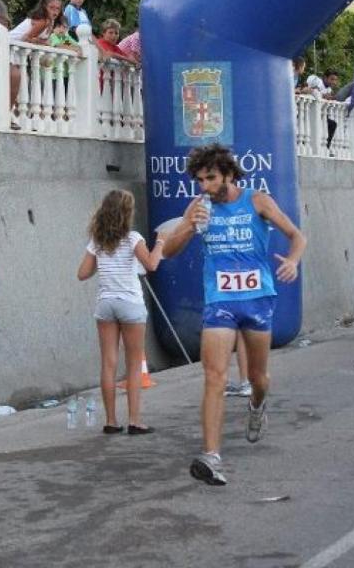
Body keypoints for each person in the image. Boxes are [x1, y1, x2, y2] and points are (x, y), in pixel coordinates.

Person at [161, 144, 307, 486]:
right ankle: (211, 456)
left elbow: (296, 236)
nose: (204, 186)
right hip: (220, 300)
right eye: (199, 180)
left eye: (210, 178)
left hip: (257, 299)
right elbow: (167, 251)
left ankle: (257, 406)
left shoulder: (258, 201)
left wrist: (292, 261)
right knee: (214, 376)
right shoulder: (198, 208)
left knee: (258, 378)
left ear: (228, 174)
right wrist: (189, 227)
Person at [77, 190, 164, 435]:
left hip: (105, 304)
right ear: (127, 212)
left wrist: (104, 264)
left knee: (108, 364)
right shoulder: (133, 238)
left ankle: (111, 421)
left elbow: (82, 274)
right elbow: (152, 264)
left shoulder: (98, 240)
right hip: (130, 304)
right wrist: (160, 243)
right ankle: (135, 421)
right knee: (134, 364)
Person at [306, 70, 340, 156]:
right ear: (325, 78)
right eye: (332, 79)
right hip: (308, 111)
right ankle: (324, 147)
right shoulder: (318, 82)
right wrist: (322, 95)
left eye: (335, 80)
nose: (334, 82)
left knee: (332, 124)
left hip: (320, 113)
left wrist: (331, 98)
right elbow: (310, 90)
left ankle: (327, 147)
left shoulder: (329, 89)